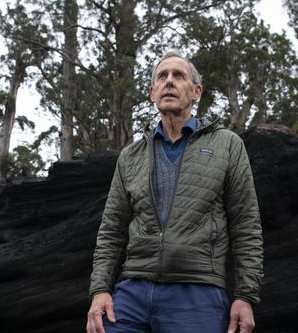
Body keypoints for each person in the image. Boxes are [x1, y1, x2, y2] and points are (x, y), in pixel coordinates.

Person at [87, 51, 263, 333]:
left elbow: (246, 225)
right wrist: (99, 290)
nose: (169, 81)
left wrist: (246, 295)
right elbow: (111, 230)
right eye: (162, 76)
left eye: (178, 76)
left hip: (197, 291)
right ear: (152, 92)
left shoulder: (227, 145)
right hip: (131, 291)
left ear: (196, 92)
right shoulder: (131, 156)